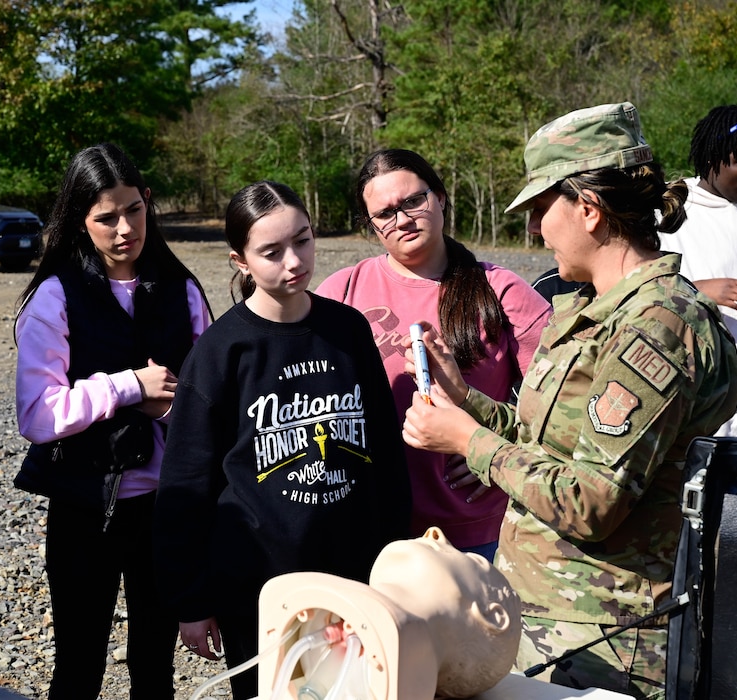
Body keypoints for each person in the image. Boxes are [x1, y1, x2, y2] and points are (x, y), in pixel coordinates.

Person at [400, 102, 737, 699]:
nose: (534, 230)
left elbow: (590, 501)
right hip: (555, 624)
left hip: (606, 642)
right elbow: (551, 446)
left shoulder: (657, 326)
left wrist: (464, 441)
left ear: (588, 209)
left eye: (539, 210)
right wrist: (464, 399)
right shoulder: (597, 308)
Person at [154, 180, 412, 700]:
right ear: (240, 260)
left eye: (303, 240)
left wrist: (396, 559)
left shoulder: (348, 329)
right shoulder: (220, 350)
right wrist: (191, 600)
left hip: (355, 575)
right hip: (260, 585)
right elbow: (185, 482)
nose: (294, 261)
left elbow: (384, 452)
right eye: (271, 252)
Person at [12, 143, 212, 700]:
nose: (125, 228)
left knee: (156, 667)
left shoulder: (184, 289)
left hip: (165, 511)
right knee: (79, 666)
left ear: (148, 203)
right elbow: (36, 412)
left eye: (134, 210)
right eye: (106, 217)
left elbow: (207, 407)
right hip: (85, 510)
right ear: (80, 221)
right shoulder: (54, 297)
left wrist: (168, 406)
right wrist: (128, 387)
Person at [315, 148, 551, 561]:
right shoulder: (341, 292)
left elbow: (564, 406)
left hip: (478, 533)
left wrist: (502, 449)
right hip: (372, 526)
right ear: (371, 226)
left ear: (439, 197)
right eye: (385, 213)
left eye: (413, 201)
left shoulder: (502, 289)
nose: (403, 218)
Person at [257, 526, 521, 700]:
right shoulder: (306, 607)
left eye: (472, 559)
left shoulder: (311, 617)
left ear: (493, 616)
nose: (435, 533)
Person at [659, 104, 737, 435]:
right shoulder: (669, 213)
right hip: (705, 410)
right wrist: (697, 290)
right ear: (711, 157)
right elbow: (627, 290)